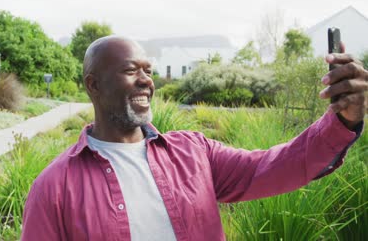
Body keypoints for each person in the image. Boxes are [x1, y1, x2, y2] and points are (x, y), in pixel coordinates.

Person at [21, 36, 367, 241]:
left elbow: (278, 166)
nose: (146, 81)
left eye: (148, 71)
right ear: (93, 84)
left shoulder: (193, 152)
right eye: (130, 70)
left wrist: (343, 119)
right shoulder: (54, 187)